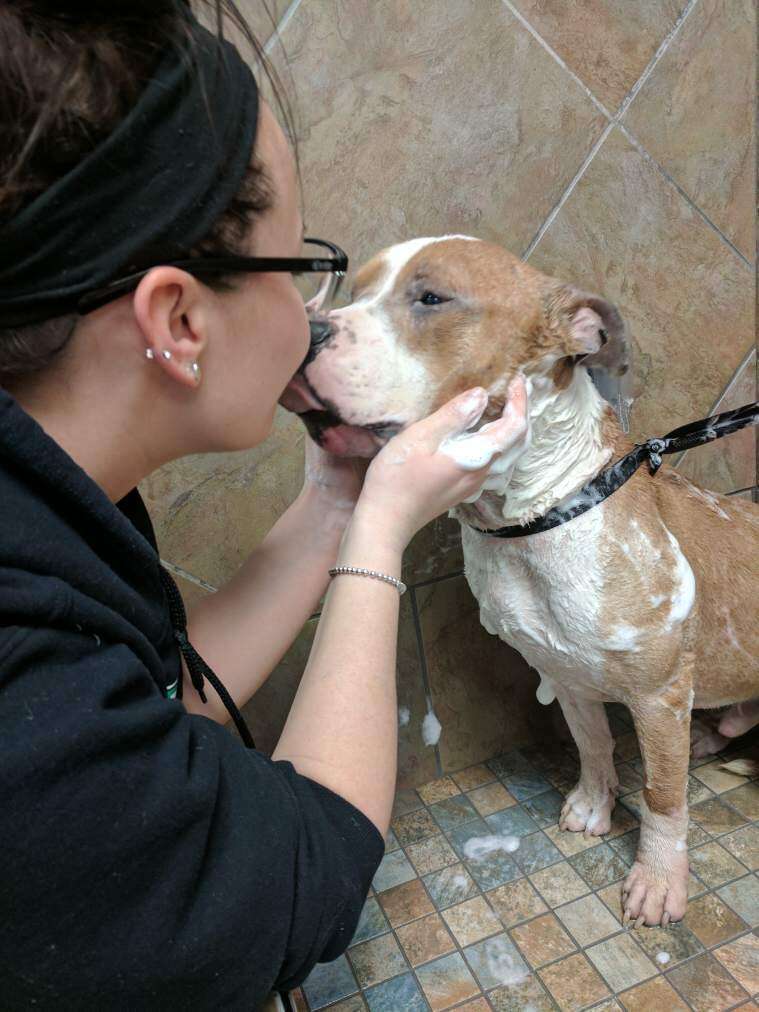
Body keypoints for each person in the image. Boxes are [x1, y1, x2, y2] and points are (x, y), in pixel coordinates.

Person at [0, 2, 527, 1008]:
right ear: (178, 319)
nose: (314, 319)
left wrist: (335, 498)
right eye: (299, 270)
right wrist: (380, 529)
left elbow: (150, 698)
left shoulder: (46, 501)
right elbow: (305, 877)